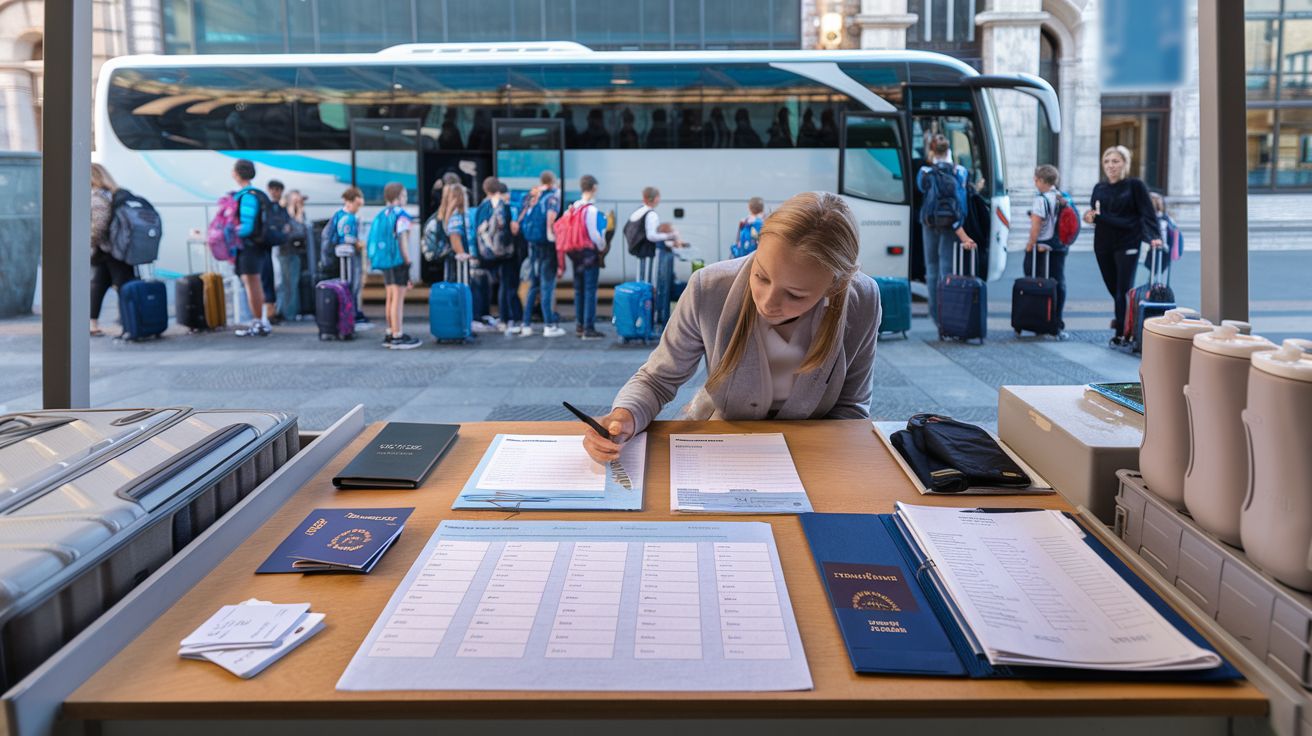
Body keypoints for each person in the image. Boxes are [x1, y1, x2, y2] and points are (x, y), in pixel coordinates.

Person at [582, 191, 881, 464]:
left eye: (795, 295)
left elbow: (851, 407)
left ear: (836, 285)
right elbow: (657, 380)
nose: (767, 302)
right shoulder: (709, 288)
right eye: (761, 276)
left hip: (815, 458)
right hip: (719, 447)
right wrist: (624, 417)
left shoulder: (862, 299)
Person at [1084, 145, 1161, 346]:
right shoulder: (1099, 188)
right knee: (1113, 289)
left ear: (1125, 164)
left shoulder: (1134, 185)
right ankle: (1126, 321)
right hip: (1103, 243)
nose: (1111, 165)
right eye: (1107, 161)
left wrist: (1154, 235)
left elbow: (1147, 213)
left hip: (1128, 241)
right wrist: (1089, 217)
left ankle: (1121, 332)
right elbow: (1094, 212)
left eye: (1116, 161)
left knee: (1122, 291)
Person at [916, 133, 975, 326]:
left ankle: (935, 315)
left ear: (932, 151)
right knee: (946, 268)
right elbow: (963, 198)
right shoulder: (960, 171)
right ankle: (947, 312)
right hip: (951, 224)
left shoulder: (924, 171)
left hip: (929, 222)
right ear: (949, 151)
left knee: (931, 269)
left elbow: (921, 190)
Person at [369, 182, 420, 350]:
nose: (406, 198)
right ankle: (398, 336)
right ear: (398, 197)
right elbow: (402, 240)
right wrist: (408, 261)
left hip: (384, 261)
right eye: (404, 195)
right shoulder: (402, 216)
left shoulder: (381, 214)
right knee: (398, 299)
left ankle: (390, 331)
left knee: (390, 297)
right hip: (397, 261)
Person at [1022, 164, 1070, 338]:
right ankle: (1056, 321)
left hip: (1043, 247)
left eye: (1035, 180)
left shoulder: (1041, 199)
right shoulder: (1062, 197)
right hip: (1060, 246)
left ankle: (1041, 320)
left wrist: (1030, 244)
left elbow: (1037, 224)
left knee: (1038, 282)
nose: (1034, 183)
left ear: (1042, 181)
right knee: (1059, 282)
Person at [627, 187, 683, 325]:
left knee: (641, 287)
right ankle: (649, 321)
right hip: (649, 256)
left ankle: (641, 320)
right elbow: (651, 236)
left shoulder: (638, 212)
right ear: (656, 198)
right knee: (649, 288)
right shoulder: (651, 214)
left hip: (641, 255)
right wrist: (671, 235)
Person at [89, 163, 133, 337]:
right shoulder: (114, 194)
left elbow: (98, 225)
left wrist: (88, 242)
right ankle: (93, 323)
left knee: (122, 286)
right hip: (117, 248)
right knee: (99, 285)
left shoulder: (98, 197)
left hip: (110, 249)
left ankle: (130, 324)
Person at [231, 159, 273, 337]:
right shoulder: (255, 193)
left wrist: (228, 233)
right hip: (257, 247)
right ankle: (260, 321)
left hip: (249, 247)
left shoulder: (247, 195)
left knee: (252, 283)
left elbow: (247, 227)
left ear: (237, 173)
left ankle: (258, 323)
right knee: (254, 283)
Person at [520, 170, 565, 337]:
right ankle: (549, 325)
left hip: (532, 244)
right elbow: (551, 217)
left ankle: (526, 324)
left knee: (534, 284)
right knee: (547, 286)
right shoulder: (553, 196)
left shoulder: (534, 195)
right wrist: (551, 236)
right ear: (554, 181)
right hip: (546, 245)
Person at [562, 174, 607, 340]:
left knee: (578, 290)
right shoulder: (591, 209)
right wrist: (602, 246)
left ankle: (579, 325)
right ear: (594, 188)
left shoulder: (573, 207)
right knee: (590, 290)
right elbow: (594, 233)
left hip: (575, 253)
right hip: (589, 254)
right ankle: (589, 328)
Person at [472, 176, 519, 334]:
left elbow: (476, 231)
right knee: (506, 285)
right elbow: (510, 229)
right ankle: (506, 319)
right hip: (505, 253)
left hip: (487, 253)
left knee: (486, 285)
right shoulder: (503, 206)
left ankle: (482, 315)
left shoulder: (481, 207)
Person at [323, 186, 364, 320]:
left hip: (341, 254)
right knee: (352, 283)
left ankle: (351, 312)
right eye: (357, 204)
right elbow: (346, 237)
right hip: (348, 255)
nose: (358, 208)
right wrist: (357, 243)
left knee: (350, 283)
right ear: (349, 201)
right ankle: (351, 313)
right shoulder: (347, 217)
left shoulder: (339, 215)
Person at [277, 189, 309, 321]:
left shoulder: (300, 213)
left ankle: (290, 311)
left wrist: (299, 209)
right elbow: (292, 230)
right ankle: (287, 313)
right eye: (295, 199)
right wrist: (291, 208)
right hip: (285, 252)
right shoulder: (284, 213)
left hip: (296, 253)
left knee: (293, 283)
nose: (297, 202)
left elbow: (301, 230)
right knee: (286, 284)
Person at [261, 179, 286, 324]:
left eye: (278, 190)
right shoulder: (266, 207)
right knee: (271, 280)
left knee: (280, 281)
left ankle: (274, 311)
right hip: (270, 249)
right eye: (273, 189)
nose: (275, 192)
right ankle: (268, 313)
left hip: (280, 248)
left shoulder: (282, 208)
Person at [1149, 192, 1183, 278]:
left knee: (1153, 275)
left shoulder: (1163, 219)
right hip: (1160, 251)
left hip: (1160, 250)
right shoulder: (1165, 218)